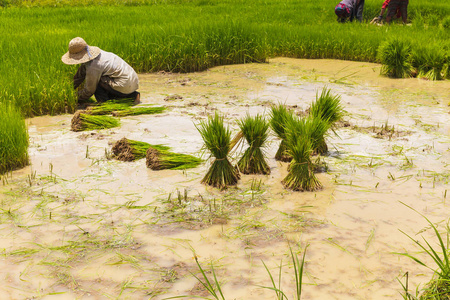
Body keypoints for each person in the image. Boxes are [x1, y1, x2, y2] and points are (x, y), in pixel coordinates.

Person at [61, 37, 140, 104]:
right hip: (132, 81)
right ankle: (133, 96)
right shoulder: (96, 55)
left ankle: (104, 103)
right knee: (101, 80)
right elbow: (80, 75)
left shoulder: (94, 66)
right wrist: (68, 89)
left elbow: (89, 91)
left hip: (124, 84)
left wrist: (73, 98)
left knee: (96, 82)